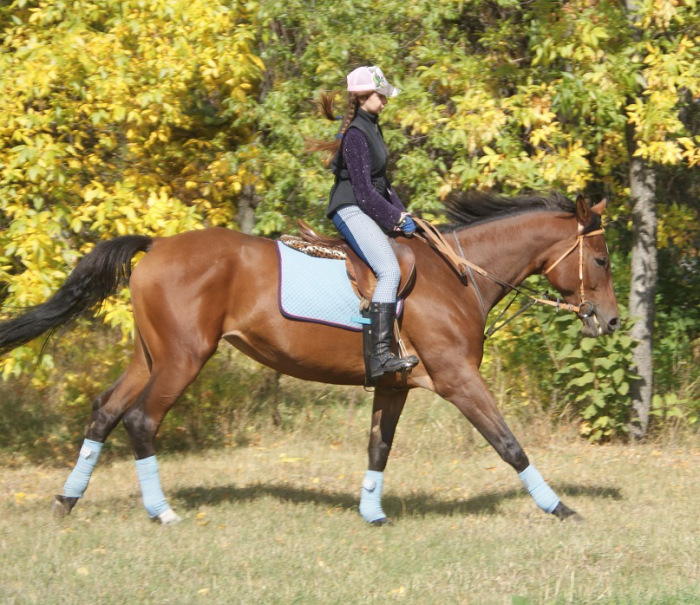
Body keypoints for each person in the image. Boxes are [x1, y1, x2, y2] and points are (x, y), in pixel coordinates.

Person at [310, 66, 419, 379]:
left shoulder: (373, 126)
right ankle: (381, 356)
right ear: (362, 96)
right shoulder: (357, 134)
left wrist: (404, 213)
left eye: (384, 95)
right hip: (349, 208)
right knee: (388, 270)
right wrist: (393, 217)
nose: (385, 100)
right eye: (380, 95)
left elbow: (382, 183)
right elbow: (364, 192)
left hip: (364, 204)